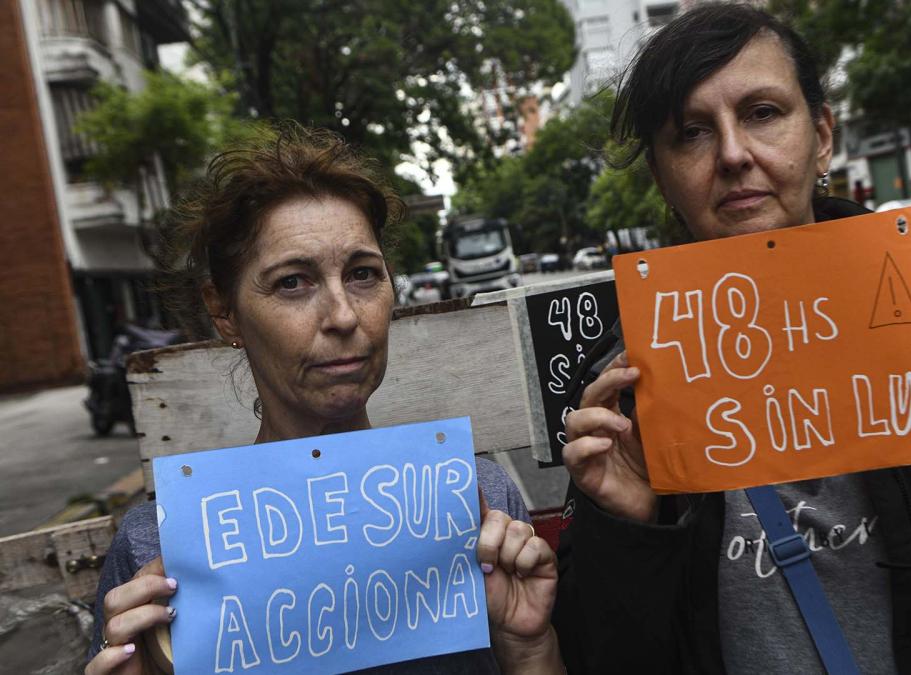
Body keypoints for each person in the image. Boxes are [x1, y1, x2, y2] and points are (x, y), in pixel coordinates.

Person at [552, 5, 911, 674]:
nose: (732, 153)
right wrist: (627, 529)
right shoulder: (625, 386)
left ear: (824, 135)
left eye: (762, 112)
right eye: (691, 132)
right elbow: (601, 658)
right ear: (662, 176)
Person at [85, 126, 564, 675]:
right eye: (293, 282)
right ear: (223, 311)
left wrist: (529, 648)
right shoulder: (155, 550)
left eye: (363, 274)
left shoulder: (479, 504)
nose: (342, 316)